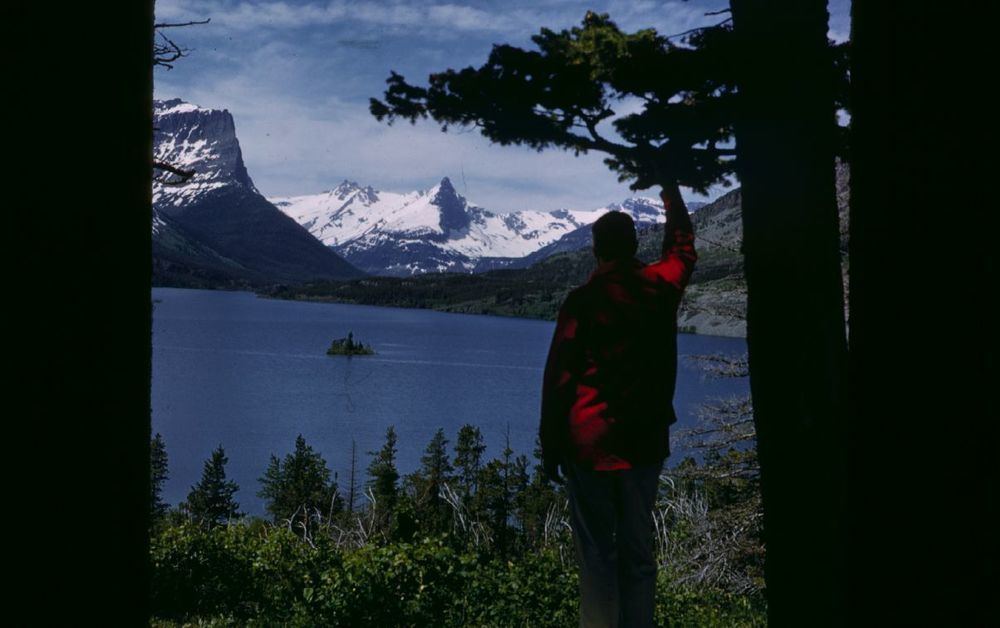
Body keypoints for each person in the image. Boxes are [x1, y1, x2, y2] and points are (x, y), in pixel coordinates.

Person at [539, 186, 697, 628]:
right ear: (634, 245)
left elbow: (558, 380)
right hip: (644, 445)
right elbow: (683, 248)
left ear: (596, 250)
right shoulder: (660, 287)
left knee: (596, 556)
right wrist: (671, 193)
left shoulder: (582, 302)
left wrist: (551, 443)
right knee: (638, 551)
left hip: (589, 446)